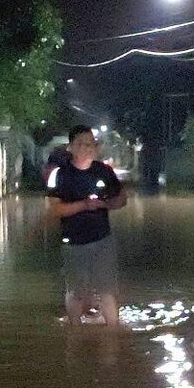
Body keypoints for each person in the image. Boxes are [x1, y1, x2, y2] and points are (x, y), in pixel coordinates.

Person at [46, 124, 126, 325]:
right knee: (76, 292)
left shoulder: (105, 171)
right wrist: (84, 205)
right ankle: (74, 332)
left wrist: (105, 203)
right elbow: (55, 210)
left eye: (90, 144)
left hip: (102, 239)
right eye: (81, 144)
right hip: (73, 242)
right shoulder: (61, 175)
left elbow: (122, 199)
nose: (86, 148)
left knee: (108, 290)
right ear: (70, 147)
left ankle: (113, 333)